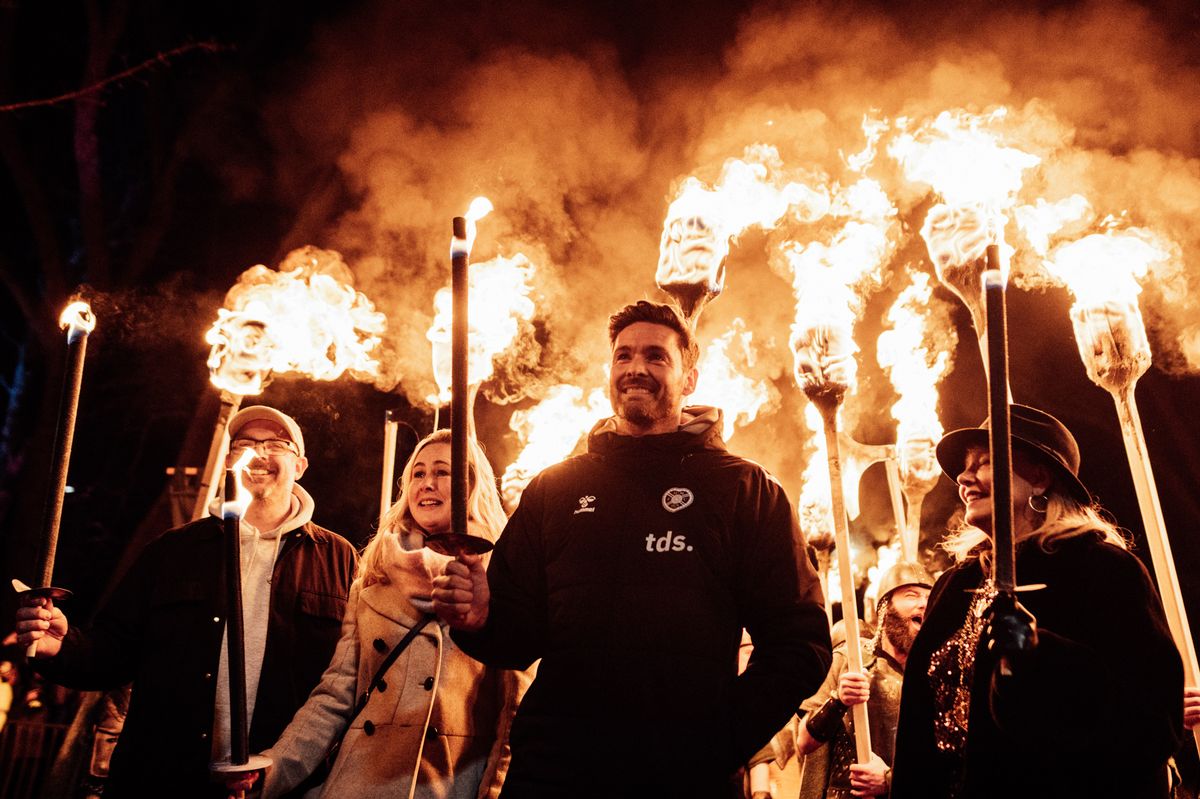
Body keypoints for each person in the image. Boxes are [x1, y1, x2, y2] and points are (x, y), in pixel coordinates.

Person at [433, 300, 832, 796]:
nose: (635, 368)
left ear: (689, 378)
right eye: (623, 356)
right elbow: (519, 635)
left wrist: (719, 737)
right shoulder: (555, 488)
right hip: (553, 774)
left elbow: (800, 642)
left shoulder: (744, 489)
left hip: (681, 781)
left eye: (656, 356)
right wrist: (481, 617)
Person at [14, 405, 357, 798]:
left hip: (280, 788)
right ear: (230, 461)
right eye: (245, 444)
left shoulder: (339, 559)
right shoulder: (174, 550)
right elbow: (112, 653)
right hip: (163, 780)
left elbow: (349, 678)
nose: (259, 454)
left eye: (276, 444)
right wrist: (61, 646)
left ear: (300, 464)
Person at [890, 404, 1183, 799]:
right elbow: (917, 727)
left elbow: (1151, 723)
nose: (964, 477)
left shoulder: (1103, 570)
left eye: (986, 461)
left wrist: (1041, 656)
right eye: (965, 467)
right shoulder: (953, 585)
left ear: (1040, 479)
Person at [233, 429, 525, 799]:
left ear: (472, 485)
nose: (427, 484)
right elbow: (333, 698)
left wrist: (494, 792)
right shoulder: (374, 580)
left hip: (446, 784)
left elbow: (514, 714)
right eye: (417, 474)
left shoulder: (504, 579)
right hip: (357, 781)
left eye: (442, 472)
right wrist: (272, 771)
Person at [791, 561, 932, 799]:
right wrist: (839, 700)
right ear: (886, 607)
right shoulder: (849, 659)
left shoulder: (933, 674)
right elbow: (804, 742)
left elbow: (942, 762)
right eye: (912, 595)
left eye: (929, 597)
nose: (923, 603)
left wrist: (889, 780)